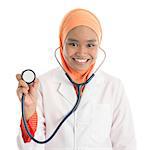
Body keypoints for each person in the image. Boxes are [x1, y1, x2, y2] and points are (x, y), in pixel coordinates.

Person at [16, 8, 136, 150]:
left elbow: (126, 143)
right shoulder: (42, 85)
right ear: (61, 44)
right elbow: (31, 147)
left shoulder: (113, 86)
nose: (81, 52)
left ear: (99, 46)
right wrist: (29, 110)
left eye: (90, 45)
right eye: (73, 44)